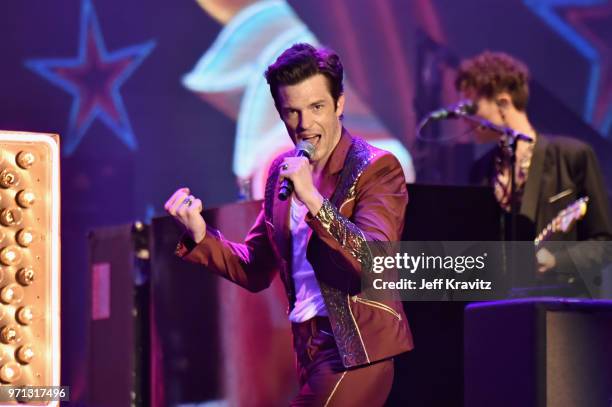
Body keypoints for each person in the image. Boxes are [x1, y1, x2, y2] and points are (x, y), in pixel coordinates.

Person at [166, 43, 413, 406]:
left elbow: (375, 261)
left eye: (317, 108)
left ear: (339, 104)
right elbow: (255, 268)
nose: (305, 125)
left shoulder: (376, 168)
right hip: (309, 350)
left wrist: (314, 200)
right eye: (292, 112)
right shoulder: (281, 173)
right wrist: (201, 235)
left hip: (358, 350)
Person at [458, 50, 612, 296]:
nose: (464, 117)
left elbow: (604, 244)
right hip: (497, 309)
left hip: (564, 311)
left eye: (470, 106)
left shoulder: (573, 156)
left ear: (503, 103)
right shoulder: (480, 171)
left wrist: (555, 261)